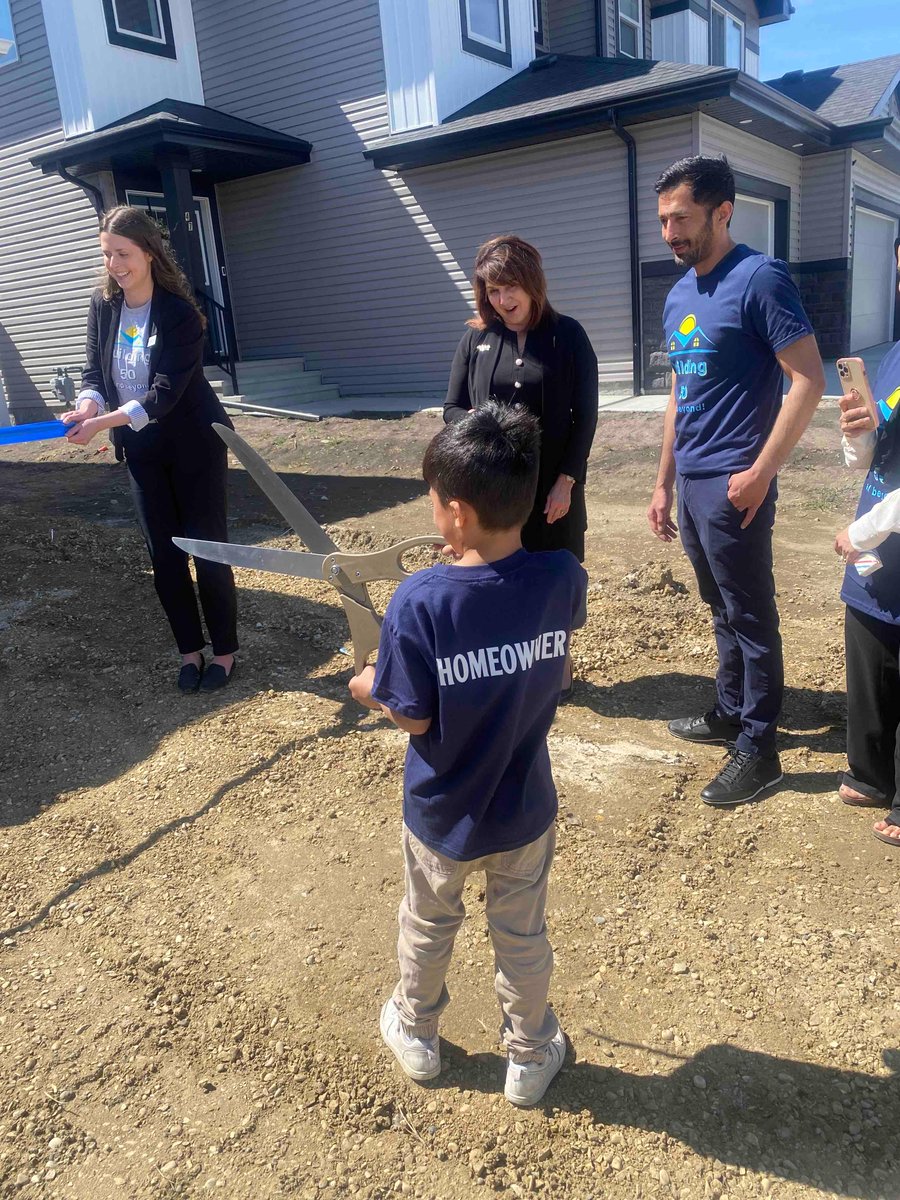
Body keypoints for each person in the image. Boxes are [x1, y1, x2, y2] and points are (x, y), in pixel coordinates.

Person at [348, 402, 587, 1107]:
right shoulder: (562, 576)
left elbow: (415, 717)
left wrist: (367, 685)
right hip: (524, 809)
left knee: (427, 924)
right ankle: (531, 1053)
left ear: (453, 512)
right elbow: (558, 669)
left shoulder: (419, 601)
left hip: (442, 815)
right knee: (522, 936)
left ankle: (417, 1035)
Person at [647, 155, 825, 806]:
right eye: (663, 219)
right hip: (692, 484)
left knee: (751, 616)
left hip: (733, 484)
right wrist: (663, 482)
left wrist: (759, 473)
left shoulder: (759, 279)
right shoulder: (676, 295)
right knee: (718, 608)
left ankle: (759, 748)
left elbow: (808, 380)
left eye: (681, 218)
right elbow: (678, 391)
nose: (669, 231)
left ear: (722, 212)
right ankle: (728, 710)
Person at [62, 205, 238, 693]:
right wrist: (85, 406)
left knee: (207, 550)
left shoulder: (182, 314)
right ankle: (190, 652)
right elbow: (95, 374)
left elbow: (162, 395)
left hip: (193, 447)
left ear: (148, 253)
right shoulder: (103, 305)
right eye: (107, 255)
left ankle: (223, 651)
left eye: (123, 254)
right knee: (163, 555)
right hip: (142, 451)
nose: (115, 265)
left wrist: (101, 423)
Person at [443, 234, 597, 698]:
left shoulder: (567, 335)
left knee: (553, 577)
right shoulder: (477, 338)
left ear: (532, 284)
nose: (502, 299)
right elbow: (451, 406)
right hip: (494, 488)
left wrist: (567, 481)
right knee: (497, 576)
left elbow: (585, 416)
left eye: (510, 287)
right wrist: (469, 421)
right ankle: (507, 667)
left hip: (551, 488)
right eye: (492, 290)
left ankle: (558, 663)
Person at [833, 237, 900, 849]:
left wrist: (856, 532)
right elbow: (869, 462)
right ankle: (871, 773)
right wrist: (856, 432)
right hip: (880, 550)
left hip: (878, 530)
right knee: (871, 652)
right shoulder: (895, 356)